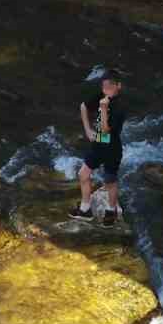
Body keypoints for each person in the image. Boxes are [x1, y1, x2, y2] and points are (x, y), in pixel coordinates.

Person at [70, 72, 127, 225]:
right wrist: (88, 130)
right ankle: (85, 209)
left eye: (110, 87)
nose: (106, 90)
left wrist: (102, 109)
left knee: (109, 181)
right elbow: (83, 106)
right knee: (83, 174)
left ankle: (111, 211)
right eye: (104, 87)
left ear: (118, 86)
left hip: (112, 146)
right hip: (99, 144)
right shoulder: (102, 95)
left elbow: (106, 130)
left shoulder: (119, 107)